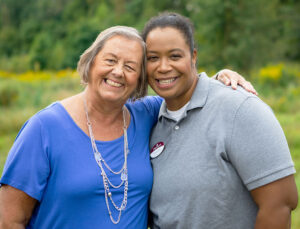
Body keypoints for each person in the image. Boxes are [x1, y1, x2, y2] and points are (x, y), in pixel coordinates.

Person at [0, 25, 255, 228]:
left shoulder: (147, 113)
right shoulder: (44, 128)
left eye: (130, 66)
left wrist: (220, 77)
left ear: (140, 80)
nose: (118, 72)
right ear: (90, 63)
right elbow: (9, 220)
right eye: (110, 60)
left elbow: (187, 90)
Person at [143, 13, 298, 229]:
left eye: (175, 56)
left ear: (193, 56)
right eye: (152, 58)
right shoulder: (151, 122)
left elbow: (281, 202)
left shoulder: (238, 108)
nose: (163, 67)